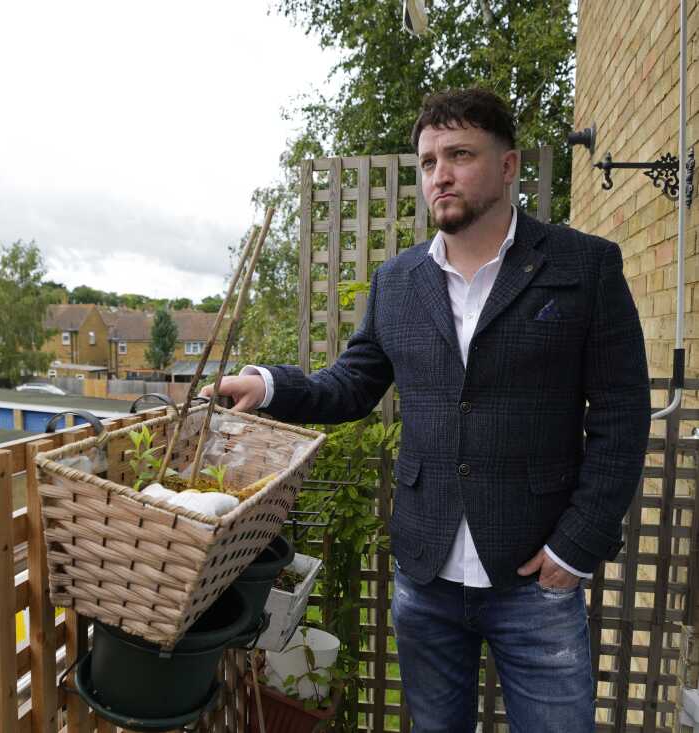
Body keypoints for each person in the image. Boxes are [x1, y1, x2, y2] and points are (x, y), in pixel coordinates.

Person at [206, 88, 650, 732]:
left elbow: (621, 413)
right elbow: (352, 384)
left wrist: (577, 544)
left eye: (460, 154)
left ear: (508, 165)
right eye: (427, 161)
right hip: (426, 572)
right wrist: (270, 387)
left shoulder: (586, 267)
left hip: (536, 573)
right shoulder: (398, 281)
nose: (439, 173)